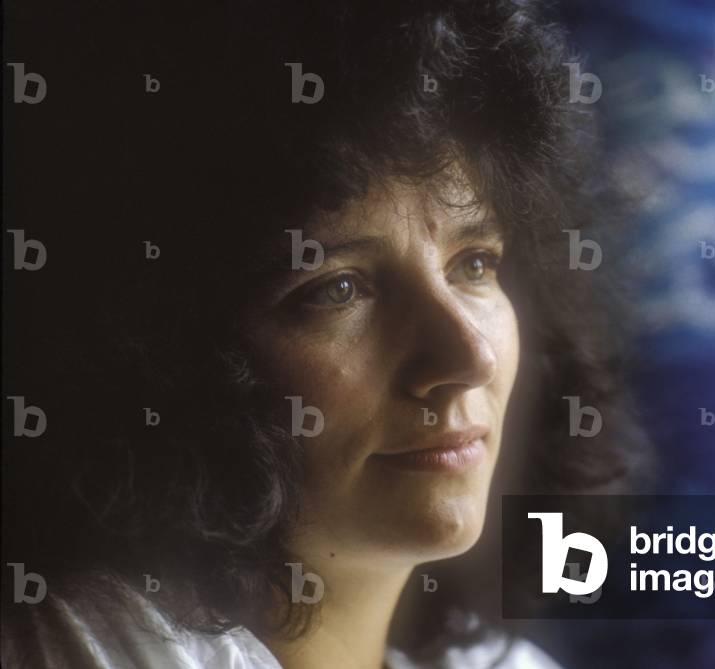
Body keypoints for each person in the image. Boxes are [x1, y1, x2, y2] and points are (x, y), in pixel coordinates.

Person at [1, 1, 651, 666]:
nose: (468, 355)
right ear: (166, 359)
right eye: (337, 289)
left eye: (475, 264)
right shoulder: (83, 645)